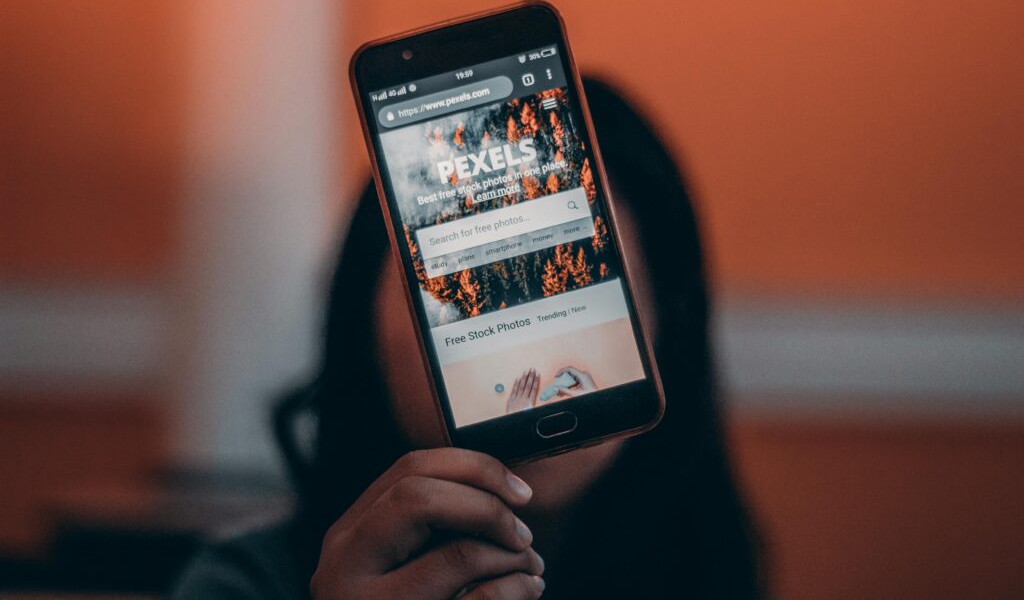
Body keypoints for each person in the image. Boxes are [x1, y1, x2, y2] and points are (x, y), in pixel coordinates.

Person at [173, 78, 763, 599]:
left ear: (667, 320)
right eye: (466, 286)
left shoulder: (712, 571)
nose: (527, 346)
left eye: (568, 278)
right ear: (363, 316)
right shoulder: (242, 585)